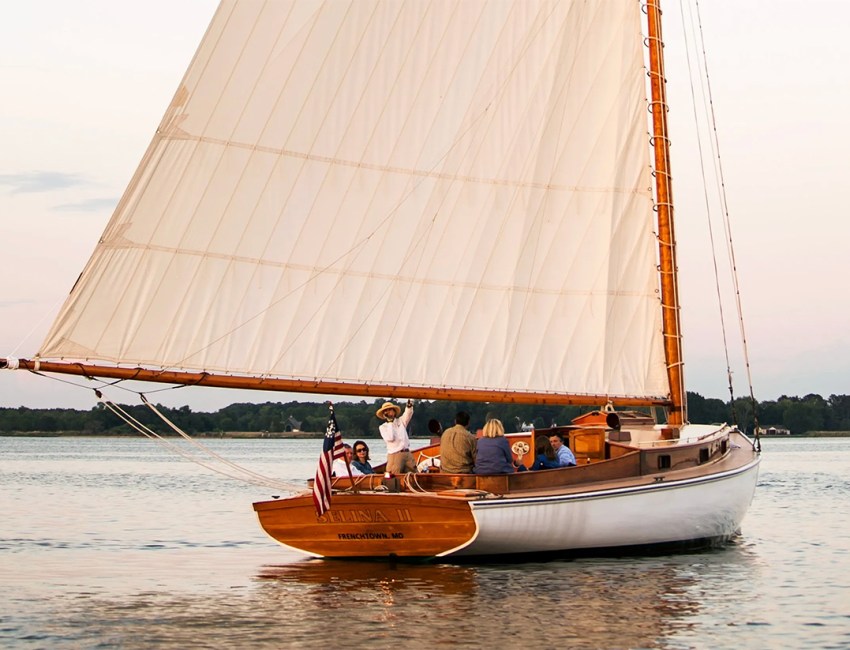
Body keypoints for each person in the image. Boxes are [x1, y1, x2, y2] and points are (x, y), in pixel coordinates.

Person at [377, 400, 417, 474]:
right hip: (395, 455)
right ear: (384, 414)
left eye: (390, 410)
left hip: (407, 453)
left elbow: (408, 413)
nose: (388, 412)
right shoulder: (383, 427)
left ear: (394, 412)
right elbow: (390, 437)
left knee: (415, 475)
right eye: (386, 411)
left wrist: (409, 405)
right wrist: (390, 422)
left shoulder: (401, 421)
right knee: (394, 477)